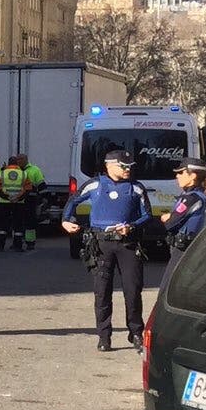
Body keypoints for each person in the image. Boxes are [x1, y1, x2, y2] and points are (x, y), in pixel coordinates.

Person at [62, 147, 152, 352]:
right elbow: (73, 201)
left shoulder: (136, 188)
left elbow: (146, 215)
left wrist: (132, 226)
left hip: (128, 244)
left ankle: (136, 332)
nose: (128, 169)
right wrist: (66, 221)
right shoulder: (94, 185)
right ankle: (104, 336)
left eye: (130, 166)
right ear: (109, 166)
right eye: (123, 166)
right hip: (101, 243)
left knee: (133, 289)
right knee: (102, 292)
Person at [158, 160, 206, 277]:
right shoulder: (195, 194)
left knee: (168, 285)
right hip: (186, 247)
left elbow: (171, 223)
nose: (177, 176)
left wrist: (168, 217)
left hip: (184, 248)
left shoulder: (192, 198)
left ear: (192, 176)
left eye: (181, 173)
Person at [0, 155, 28, 252]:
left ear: (8, 163)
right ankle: (18, 246)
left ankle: (0, 246)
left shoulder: (2, 173)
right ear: (17, 163)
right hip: (19, 203)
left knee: (3, 225)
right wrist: (18, 198)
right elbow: (28, 189)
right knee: (18, 225)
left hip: (4, 202)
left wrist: (6, 197)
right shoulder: (23, 174)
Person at [20, 153, 46, 252]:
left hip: (30, 200)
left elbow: (41, 184)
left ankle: (30, 243)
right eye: (18, 159)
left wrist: (44, 198)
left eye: (21, 159)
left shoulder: (35, 170)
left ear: (26, 160)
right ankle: (17, 241)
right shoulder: (15, 170)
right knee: (18, 221)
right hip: (18, 200)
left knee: (30, 222)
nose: (19, 161)